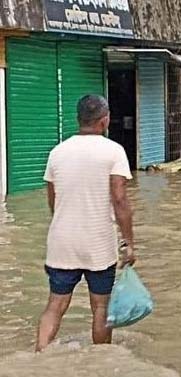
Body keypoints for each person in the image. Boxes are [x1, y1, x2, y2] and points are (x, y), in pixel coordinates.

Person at [36, 95, 135, 352]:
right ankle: (100, 360)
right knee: (101, 307)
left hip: (62, 243)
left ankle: (40, 353)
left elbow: (53, 200)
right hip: (98, 244)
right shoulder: (114, 151)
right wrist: (128, 243)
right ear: (105, 120)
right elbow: (120, 200)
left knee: (55, 305)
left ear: (79, 119)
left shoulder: (57, 152)